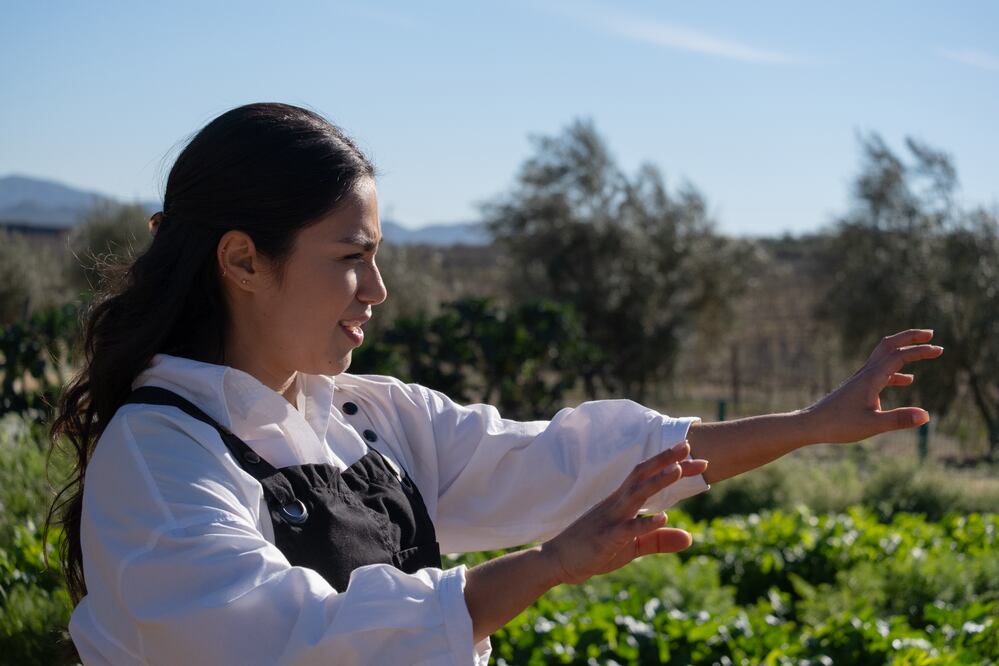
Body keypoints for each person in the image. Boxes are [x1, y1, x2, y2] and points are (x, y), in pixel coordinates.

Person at [48, 102, 943, 665]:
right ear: (243, 259)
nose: (376, 290)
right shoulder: (160, 458)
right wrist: (548, 567)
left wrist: (808, 424)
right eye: (350, 257)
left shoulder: (366, 418)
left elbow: (570, 461)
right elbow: (294, 643)